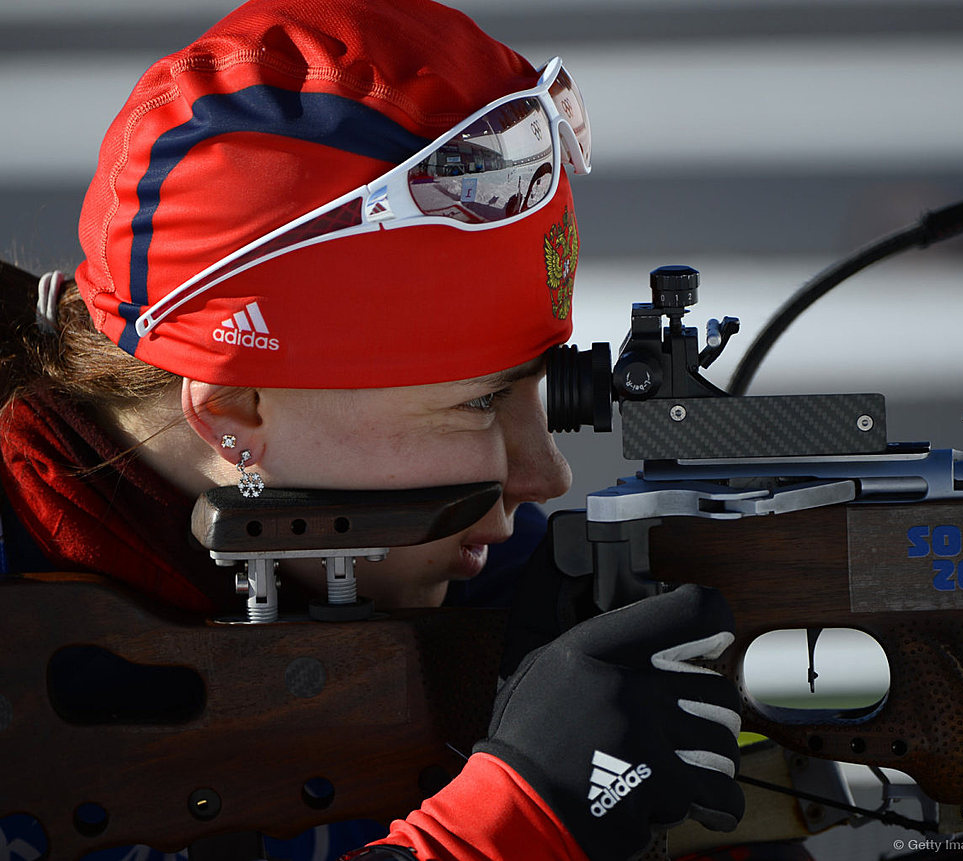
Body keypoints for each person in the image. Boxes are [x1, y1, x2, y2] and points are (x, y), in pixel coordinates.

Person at [0, 1, 744, 859]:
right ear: (236, 411)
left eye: (537, 394)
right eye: (477, 404)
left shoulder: (482, 582)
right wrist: (510, 826)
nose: (545, 476)